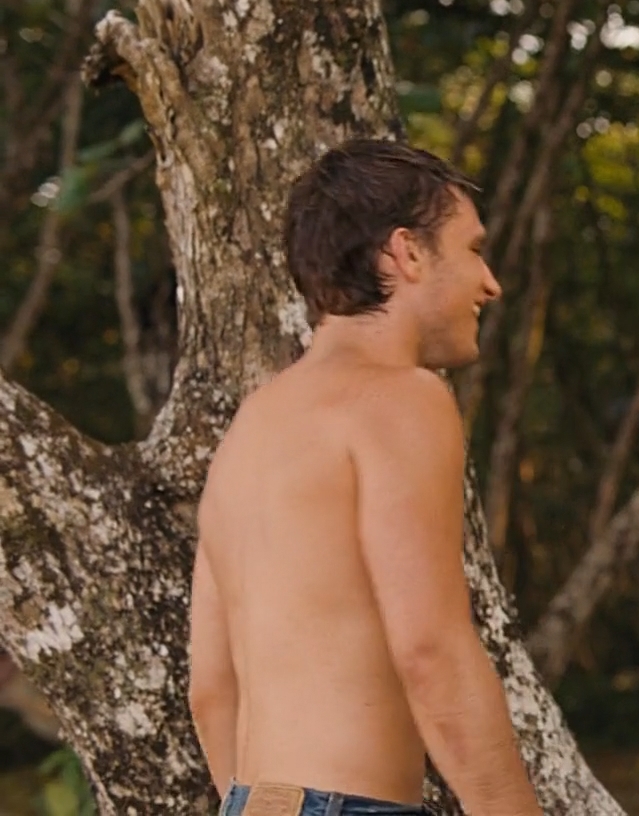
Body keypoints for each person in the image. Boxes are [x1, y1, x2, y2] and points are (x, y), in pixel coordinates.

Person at [190, 139, 543, 816]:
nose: (490, 282)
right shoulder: (401, 397)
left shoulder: (252, 428)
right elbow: (431, 652)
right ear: (407, 253)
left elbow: (210, 688)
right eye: (473, 249)